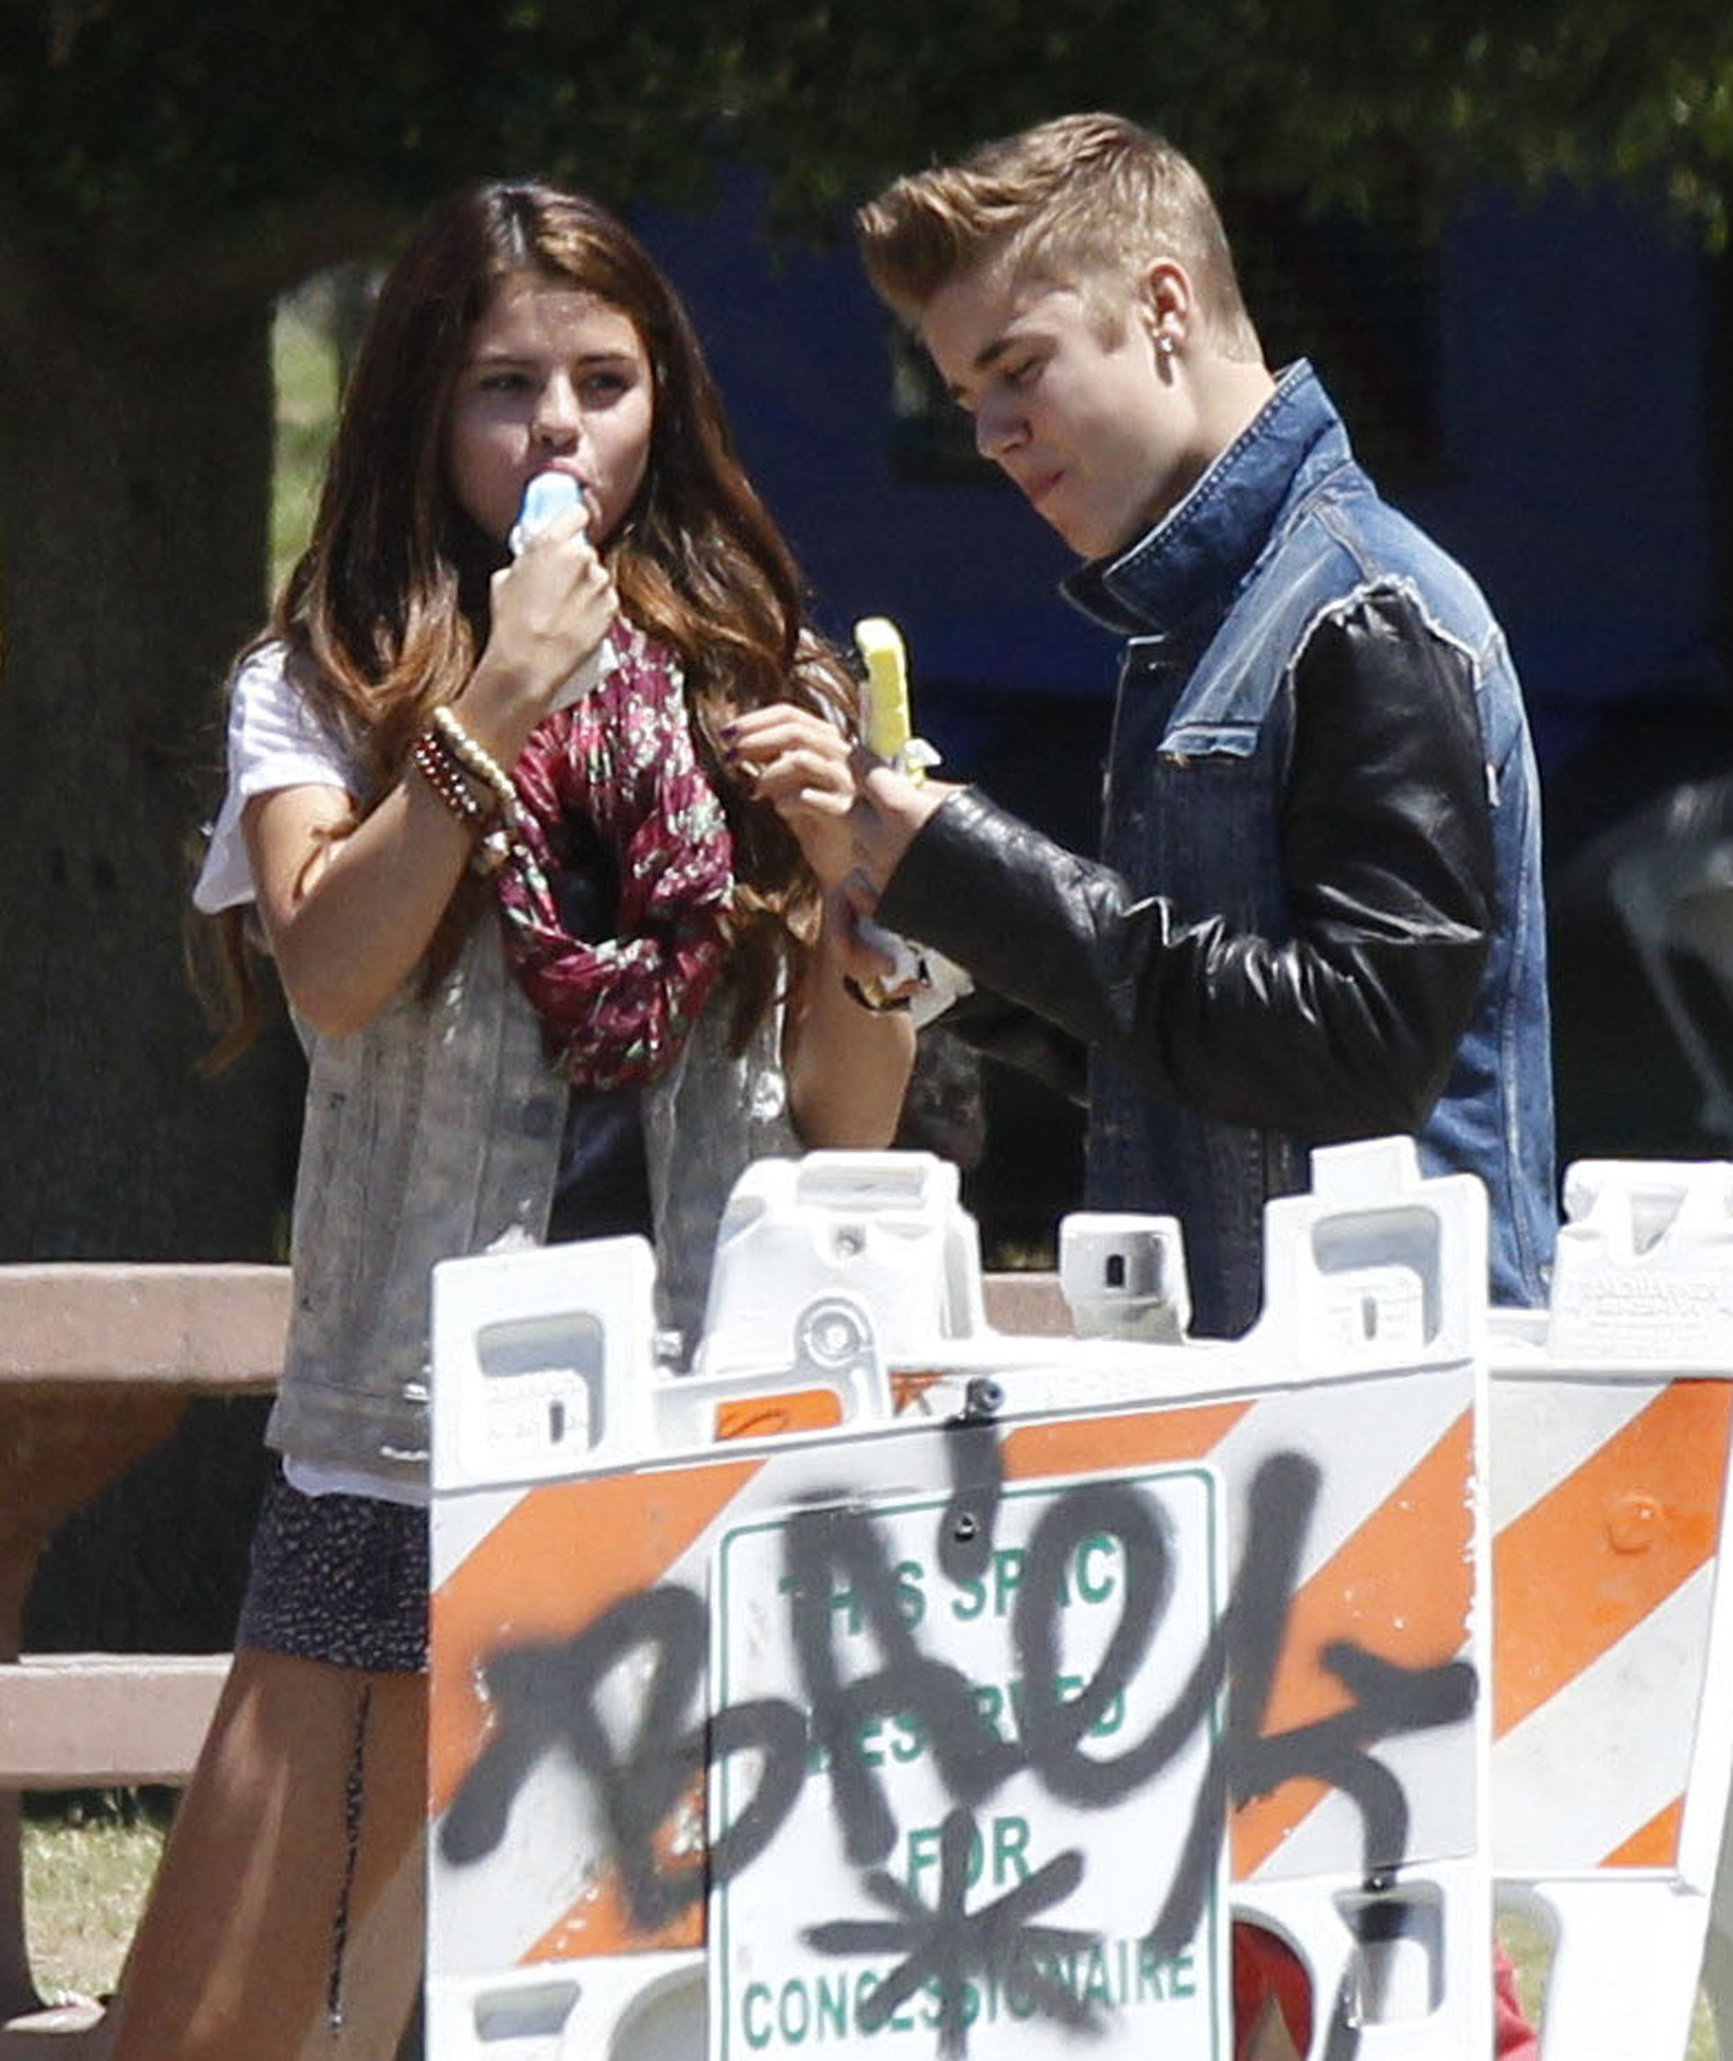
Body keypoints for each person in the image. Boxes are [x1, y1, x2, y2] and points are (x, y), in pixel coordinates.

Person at [730, 111, 1548, 2057]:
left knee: (1391, 1983)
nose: (996, 437)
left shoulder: (1360, 610)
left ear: (1165, 307)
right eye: (960, 394)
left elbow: (1356, 1036)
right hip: (1289, 1411)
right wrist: (944, 952)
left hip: (1393, 1415)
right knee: (1301, 1979)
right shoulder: (1216, 620)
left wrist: (961, 869)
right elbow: (1196, 1007)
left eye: (1020, 374)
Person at [112, 180, 911, 2061]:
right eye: (502, 385)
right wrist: (491, 707)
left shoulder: (755, 674)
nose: (559, 426)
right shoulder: (319, 681)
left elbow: (840, 1109)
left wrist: (852, 892)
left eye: (604, 380)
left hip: (700, 1411)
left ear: (666, 401)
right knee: (259, 2005)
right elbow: (330, 971)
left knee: (666, 1994)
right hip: (410, 1418)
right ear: (420, 412)